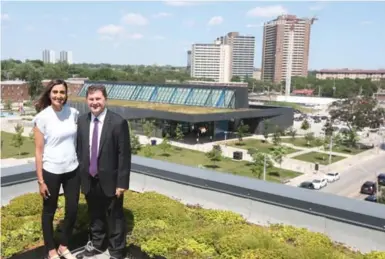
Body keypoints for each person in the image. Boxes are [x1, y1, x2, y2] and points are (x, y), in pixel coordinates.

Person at [76, 84, 131, 259]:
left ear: (105, 99)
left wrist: (122, 183)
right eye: (91, 99)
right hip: (89, 179)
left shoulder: (118, 122)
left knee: (115, 217)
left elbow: (124, 155)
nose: (95, 102)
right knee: (95, 215)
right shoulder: (82, 121)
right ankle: (97, 245)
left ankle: (116, 251)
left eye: (98, 99)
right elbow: (80, 149)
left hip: (111, 181)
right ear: (86, 101)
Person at [33, 79, 80, 259]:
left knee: (73, 209)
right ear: (49, 94)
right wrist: (41, 180)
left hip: (72, 169)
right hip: (51, 171)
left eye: (62, 92)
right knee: (49, 211)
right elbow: (38, 152)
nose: (59, 96)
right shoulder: (42, 118)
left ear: (66, 94)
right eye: (55, 92)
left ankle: (63, 246)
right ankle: (51, 249)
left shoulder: (73, 113)